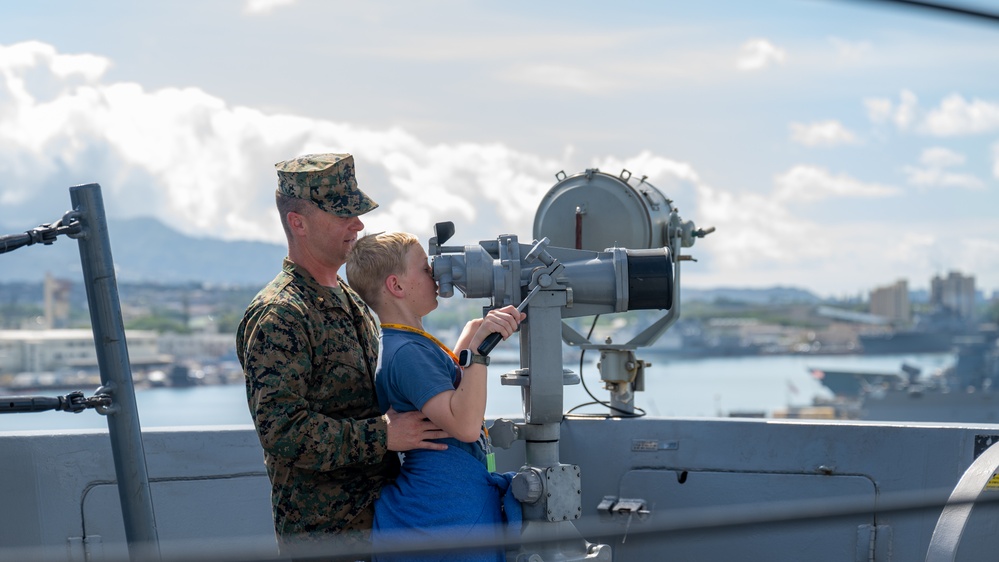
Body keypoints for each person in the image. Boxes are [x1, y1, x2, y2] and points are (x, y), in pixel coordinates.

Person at [236, 153, 449, 559]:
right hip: (328, 537)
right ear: (298, 223)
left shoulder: (350, 298)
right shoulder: (281, 315)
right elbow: (282, 431)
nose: (358, 224)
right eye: (342, 214)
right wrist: (383, 435)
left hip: (385, 523)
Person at [345, 231, 525, 562]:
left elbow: (442, 394)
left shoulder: (405, 343)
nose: (435, 276)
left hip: (446, 501)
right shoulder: (408, 352)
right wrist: (479, 354)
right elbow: (465, 425)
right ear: (396, 286)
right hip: (445, 512)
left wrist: (471, 338)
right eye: (425, 270)